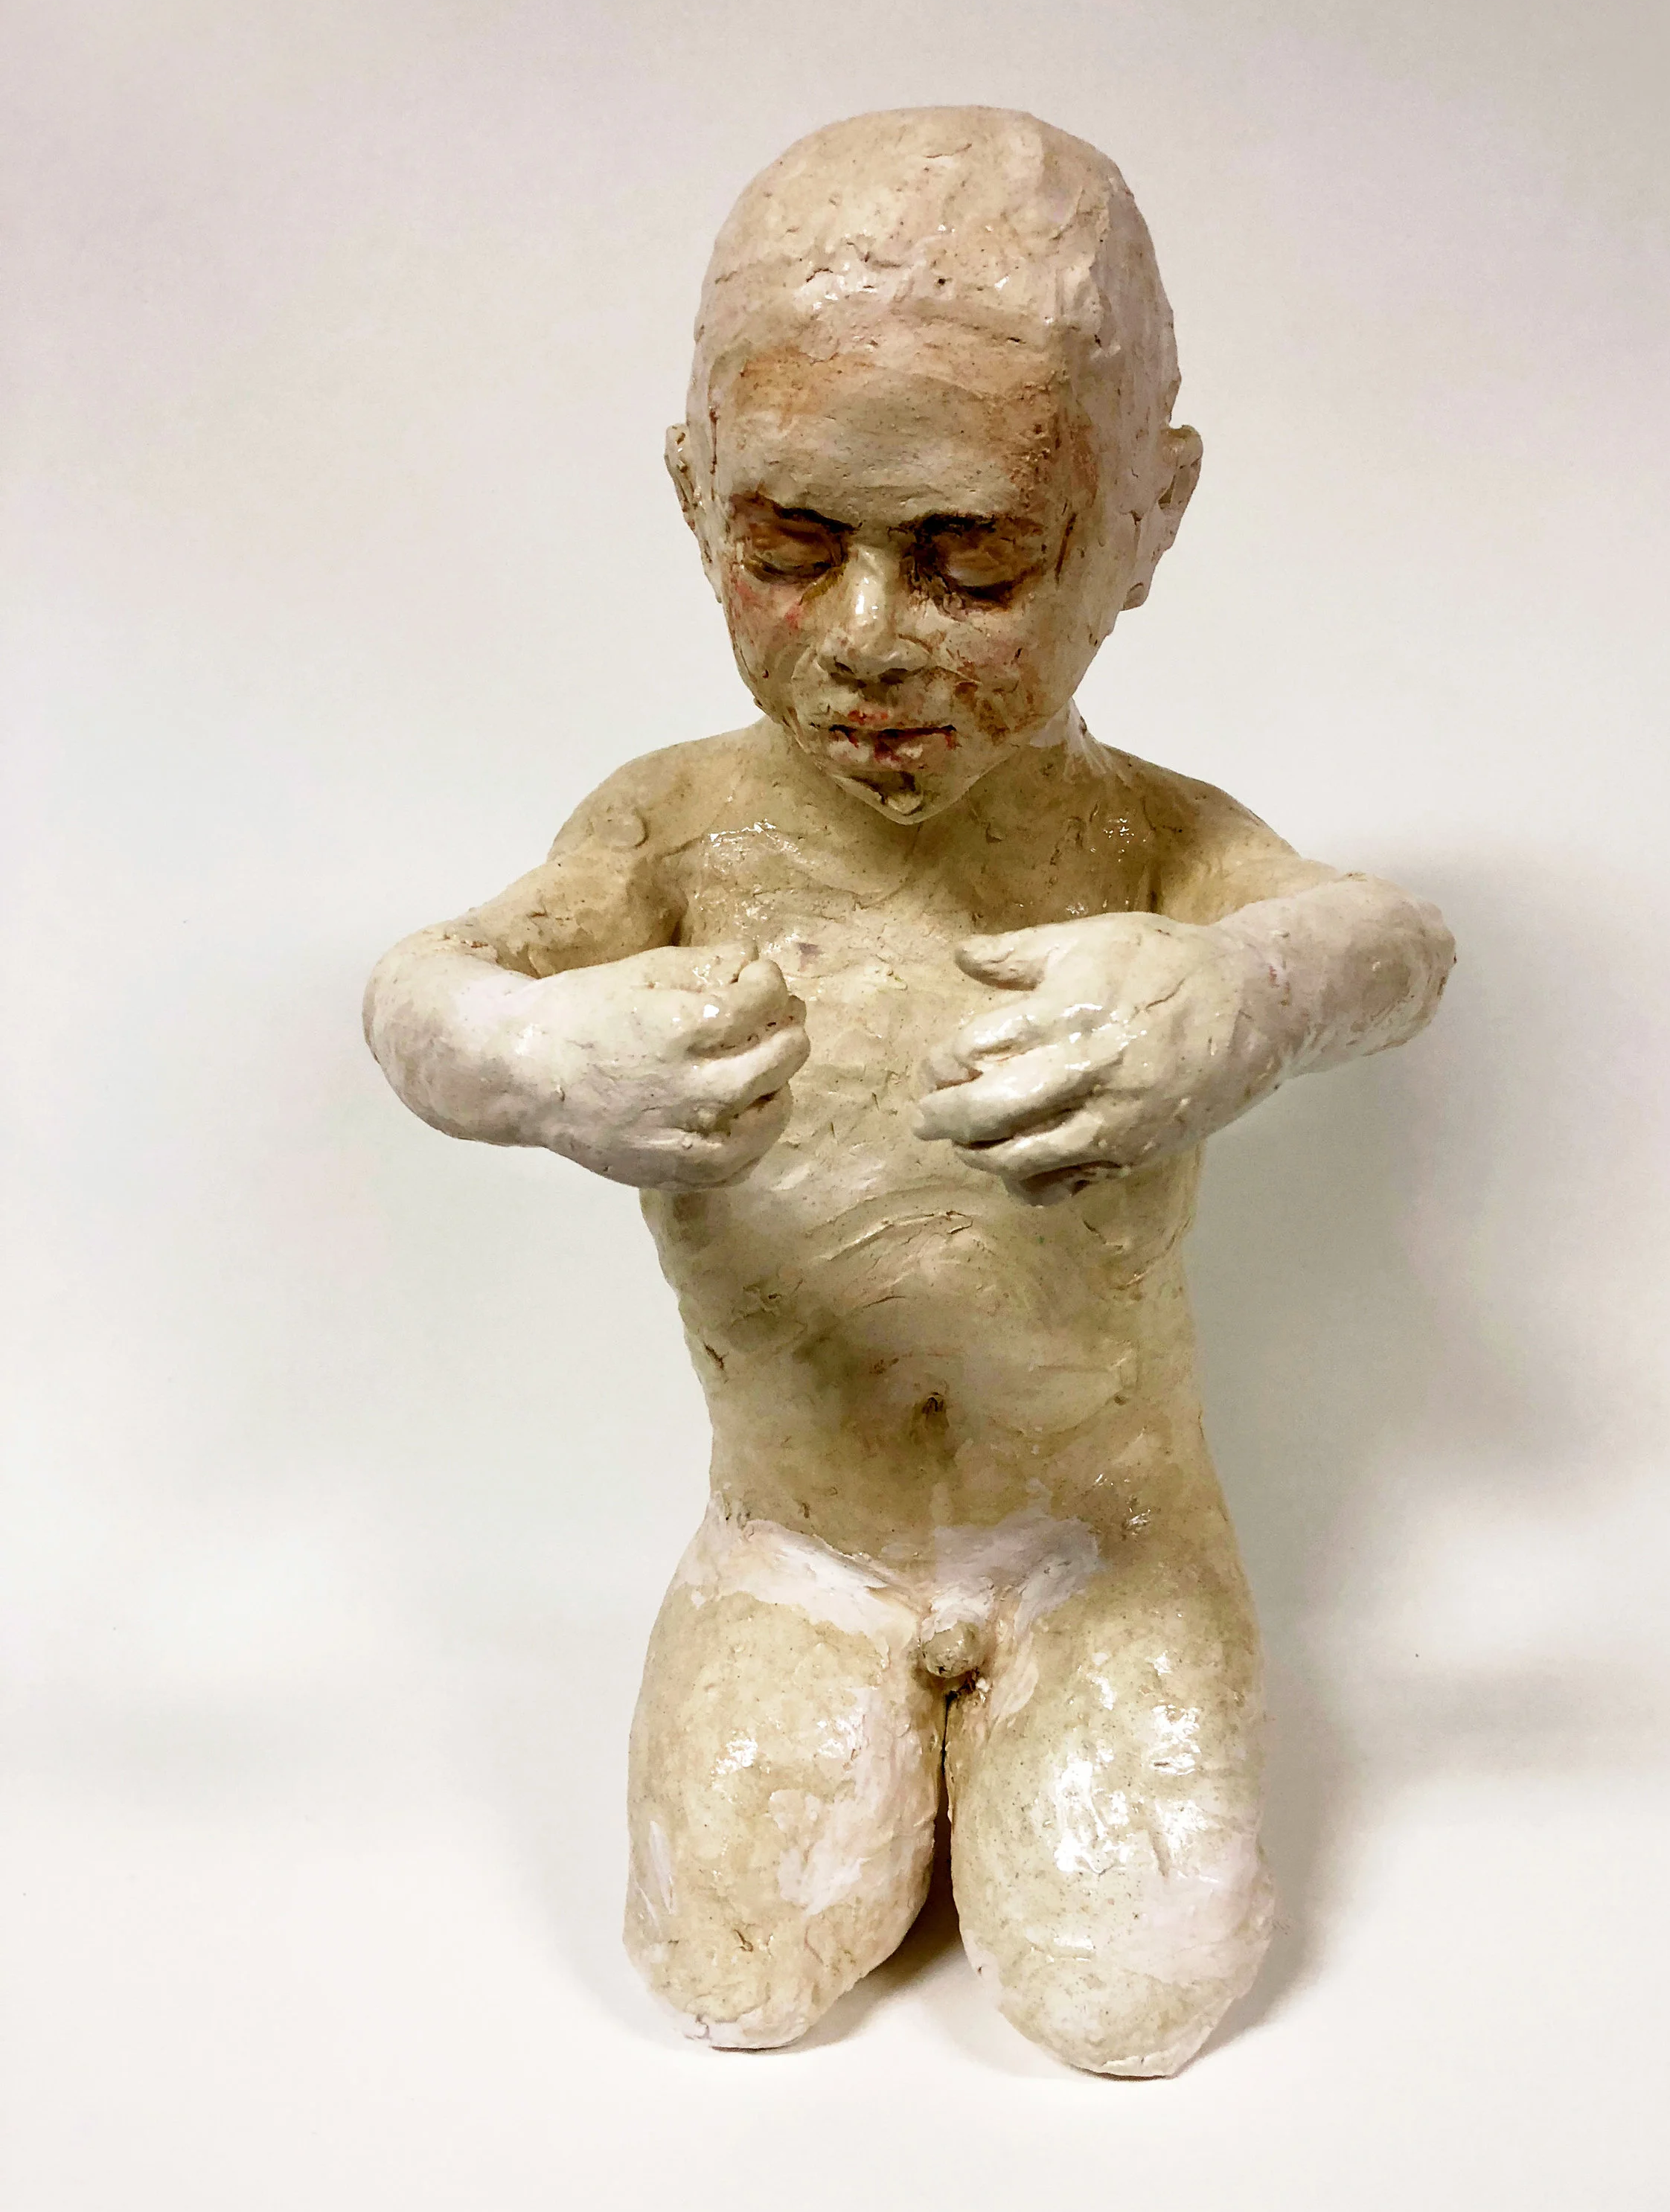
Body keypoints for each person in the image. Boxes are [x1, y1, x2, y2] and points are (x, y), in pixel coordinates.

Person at [365, 108, 1453, 2075]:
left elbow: (1385, 946)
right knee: (736, 1978)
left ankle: (1052, 1725)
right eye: (788, 551)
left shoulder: (1140, 841)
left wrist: (1239, 989)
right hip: (795, 1548)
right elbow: (423, 994)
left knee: (1133, 2001)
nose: (867, 642)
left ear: (1145, 517)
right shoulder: (674, 828)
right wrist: (533, 1058)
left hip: (1103, 1542)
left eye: (973, 561)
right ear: (692, 492)